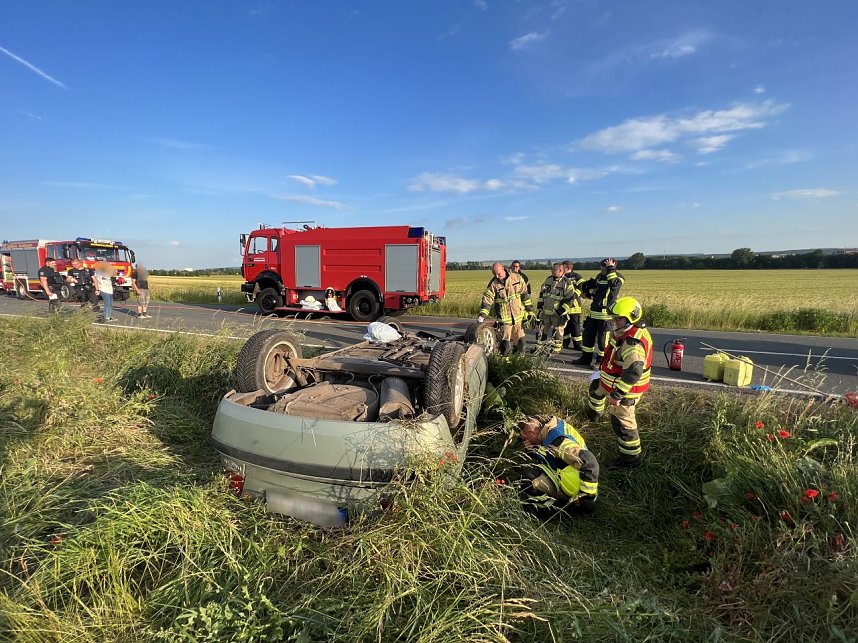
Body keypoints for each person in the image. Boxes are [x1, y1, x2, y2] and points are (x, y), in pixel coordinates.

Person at [585, 297, 653, 469]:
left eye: (619, 318)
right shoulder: (625, 333)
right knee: (595, 390)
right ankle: (594, 416)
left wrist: (617, 395)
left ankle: (630, 460)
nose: (615, 322)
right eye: (614, 318)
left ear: (631, 318)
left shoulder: (632, 342)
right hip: (610, 381)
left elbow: (634, 370)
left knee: (623, 424)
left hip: (625, 391)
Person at [515, 415, 599, 518]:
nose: (525, 442)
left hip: (574, 485)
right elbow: (551, 455)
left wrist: (586, 499)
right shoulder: (553, 428)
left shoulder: (558, 441)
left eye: (525, 438)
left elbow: (589, 461)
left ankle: (548, 511)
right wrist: (533, 451)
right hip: (575, 474)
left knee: (527, 479)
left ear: (532, 434)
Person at [573, 258, 625, 368]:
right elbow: (597, 291)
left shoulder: (618, 277)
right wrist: (588, 293)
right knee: (587, 337)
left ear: (613, 266)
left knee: (603, 341)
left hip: (605, 315)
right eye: (602, 267)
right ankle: (585, 358)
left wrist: (611, 270)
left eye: (605, 267)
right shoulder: (600, 276)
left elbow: (614, 286)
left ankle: (601, 360)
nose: (603, 269)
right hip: (594, 313)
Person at [477, 262, 534, 355]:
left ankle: (519, 361)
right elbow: (487, 300)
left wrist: (530, 311)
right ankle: (505, 363)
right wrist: (482, 315)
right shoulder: (493, 284)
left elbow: (525, 295)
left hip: (518, 317)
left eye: (498, 274)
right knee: (504, 345)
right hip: (504, 319)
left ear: (503, 269)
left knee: (520, 342)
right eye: (494, 274)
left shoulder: (517, 278)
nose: (497, 276)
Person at [536, 263, 576, 353]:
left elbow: (570, 299)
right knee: (541, 330)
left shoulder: (566, 282)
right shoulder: (548, 280)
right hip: (546, 312)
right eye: (552, 269)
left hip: (557, 314)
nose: (552, 271)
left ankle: (556, 349)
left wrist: (561, 311)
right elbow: (542, 294)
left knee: (558, 332)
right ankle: (539, 348)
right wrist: (539, 305)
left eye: (554, 269)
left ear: (561, 271)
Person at [561, 260, 584, 350]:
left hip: (574, 306)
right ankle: (565, 342)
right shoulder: (561, 277)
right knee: (565, 325)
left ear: (568, 268)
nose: (561, 269)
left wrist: (572, 296)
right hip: (564, 306)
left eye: (563, 268)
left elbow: (582, 288)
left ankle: (577, 344)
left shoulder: (576, 277)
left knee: (575, 326)